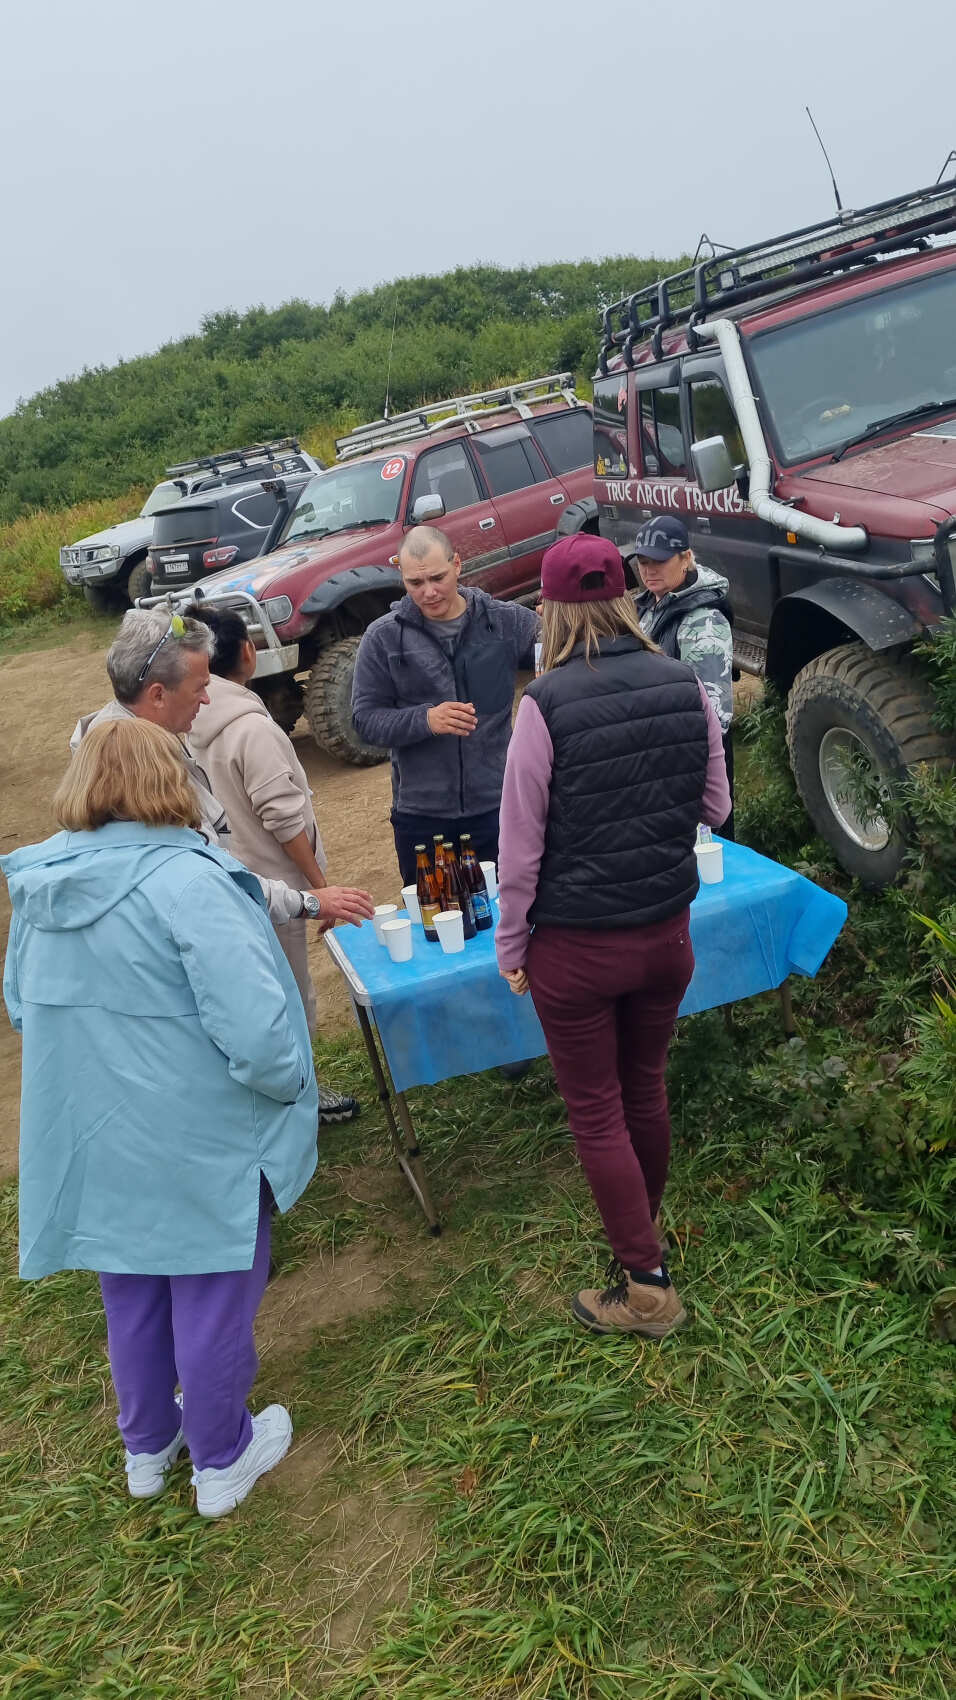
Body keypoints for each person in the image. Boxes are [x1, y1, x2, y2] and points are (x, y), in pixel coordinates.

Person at [2, 718, 320, 1516]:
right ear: (171, 779)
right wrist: (285, 1088)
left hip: (96, 1130)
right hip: (197, 1131)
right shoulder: (192, 881)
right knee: (213, 1283)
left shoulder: (40, 885)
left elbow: (20, 1008)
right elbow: (256, 1030)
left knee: (132, 1285)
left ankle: (147, 1444)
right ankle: (222, 1455)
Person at [495, 534, 731, 1340]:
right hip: (665, 931)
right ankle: (643, 1228)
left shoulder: (545, 705)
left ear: (551, 611)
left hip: (577, 945)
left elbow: (519, 849)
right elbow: (716, 807)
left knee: (596, 1111)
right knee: (645, 1087)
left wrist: (510, 946)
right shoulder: (684, 683)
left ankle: (647, 1285)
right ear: (626, 597)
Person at [70, 604, 374, 1122]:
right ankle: (288, 1109)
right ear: (158, 694)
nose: (208, 698)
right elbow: (211, 874)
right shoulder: (139, 773)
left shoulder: (117, 743)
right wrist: (308, 898)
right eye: (198, 686)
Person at [185, 603, 359, 1119]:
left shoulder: (187, 721)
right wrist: (318, 887)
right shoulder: (251, 729)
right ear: (247, 652)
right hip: (272, 891)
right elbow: (284, 820)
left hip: (224, 884)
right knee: (290, 996)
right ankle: (302, 1101)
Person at [351, 525, 540, 886]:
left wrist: (560, 618)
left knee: (511, 917)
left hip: (498, 806)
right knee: (436, 925)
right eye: (415, 583)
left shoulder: (504, 621)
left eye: (437, 577)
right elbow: (364, 720)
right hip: (422, 817)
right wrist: (425, 720)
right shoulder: (383, 637)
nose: (429, 592)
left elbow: (563, 651)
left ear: (457, 564)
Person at [632, 515, 736, 836]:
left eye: (659, 561)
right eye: (643, 561)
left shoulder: (704, 620)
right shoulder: (652, 603)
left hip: (694, 766)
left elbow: (715, 717)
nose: (649, 570)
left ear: (686, 558)